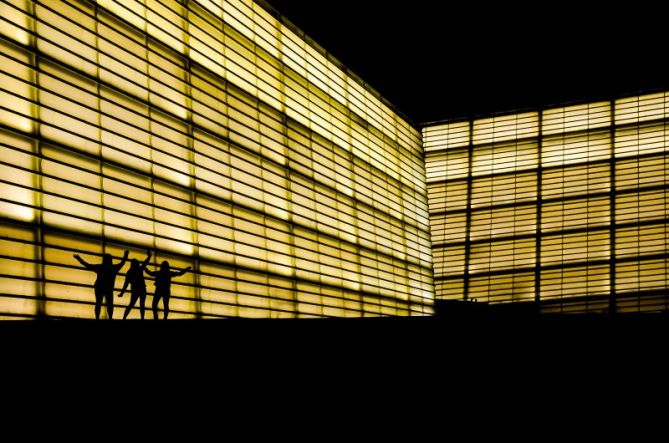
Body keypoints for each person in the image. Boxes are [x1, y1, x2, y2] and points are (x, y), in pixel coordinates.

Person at [73, 250, 129, 320]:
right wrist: (126, 255)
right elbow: (122, 263)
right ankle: (110, 318)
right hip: (109, 288)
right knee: (110, 304)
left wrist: (79, 258)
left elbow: (88, 265)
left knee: (98, 303)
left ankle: (97, 318)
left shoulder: (100, 267)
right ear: (111, 260)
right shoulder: (114, 268)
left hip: (99, 287)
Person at [118, 250, 152, 320]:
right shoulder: (139, 269)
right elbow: (145, 263)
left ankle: (124, 317)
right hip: (142, 288)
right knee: (141, 304)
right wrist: (149, 256)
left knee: (132, 304)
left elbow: (126, 284)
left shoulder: (129, 272)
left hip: (135, 289)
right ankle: (142, 318)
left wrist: (122, 293)